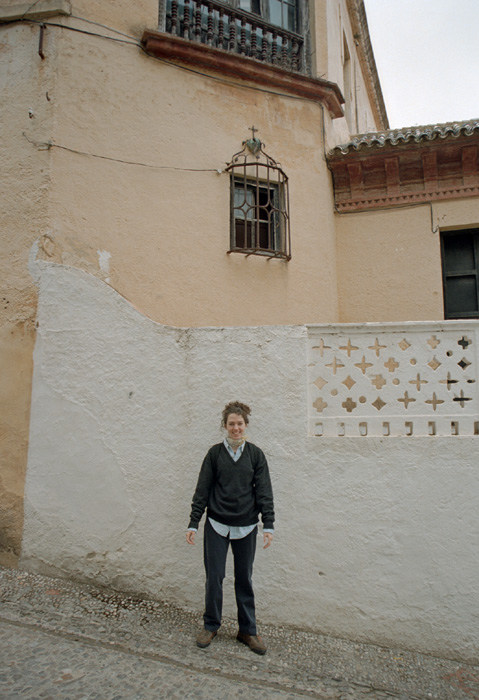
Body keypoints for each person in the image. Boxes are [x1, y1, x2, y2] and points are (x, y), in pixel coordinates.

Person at [186, 401, 275, 655]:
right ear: (224, 426)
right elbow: (202, 490)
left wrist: (268, 525)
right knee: (214, 577)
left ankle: (247, 630)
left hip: (246, 526)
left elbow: (265, 493)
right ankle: (211, 625)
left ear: (246, 425)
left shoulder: (255, 455)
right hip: (216, 524)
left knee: (244, 579)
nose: (236, 428)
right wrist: (194, 522)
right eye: (231, 424)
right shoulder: (214, 454)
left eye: (240, 423)